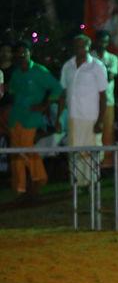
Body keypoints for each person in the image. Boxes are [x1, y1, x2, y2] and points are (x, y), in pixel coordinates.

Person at [7, 42, 63, 198]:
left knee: (26, 148)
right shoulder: (16, 73)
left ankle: (39, 178)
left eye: (24, 52)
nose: (21, 55)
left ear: (30, 52)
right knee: (15, 152)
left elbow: (57, 88)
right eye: (18, 53)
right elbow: (11, 90)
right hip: (15, 117)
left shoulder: (39, 71)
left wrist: (45, 105)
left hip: (31, 117)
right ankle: (20, 187)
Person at [60, 34, 108, 187]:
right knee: (75, 151)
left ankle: (92, 182)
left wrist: (101, 120)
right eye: (77, 45)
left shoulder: (97, 66)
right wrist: (58, 118)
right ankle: (77, 183)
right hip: (74, 116)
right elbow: (63, 93)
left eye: (83, 45)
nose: (80, 48)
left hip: (91, 116)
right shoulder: (67, 66)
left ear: (89, 46)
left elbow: (103, 96)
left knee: (91, 151)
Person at [91, 30, 118, 168]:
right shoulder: (89, 57)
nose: (103, 44)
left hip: (108, 101)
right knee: (93, 132)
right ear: (95, 41)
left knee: (107, 132)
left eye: (106, 41)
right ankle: (93, 163)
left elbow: (110, 77)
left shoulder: (113, 58)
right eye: (101, 41)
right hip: (91, 101)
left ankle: (107, 164)